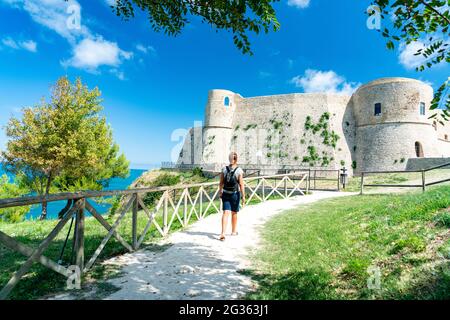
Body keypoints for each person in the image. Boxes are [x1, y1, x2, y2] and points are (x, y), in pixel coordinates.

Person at [218, 151, 246, 241]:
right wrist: (243, 196)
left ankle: (223, 233)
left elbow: (221, 182)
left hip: (226, 193)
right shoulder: (239, 170)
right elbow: (241, 184)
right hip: (235, 194)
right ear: (236, 159)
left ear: (229, 159)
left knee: (225, 213)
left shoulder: (224, 169)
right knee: (234, 212)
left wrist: (220, 191)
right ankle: (233, 231)